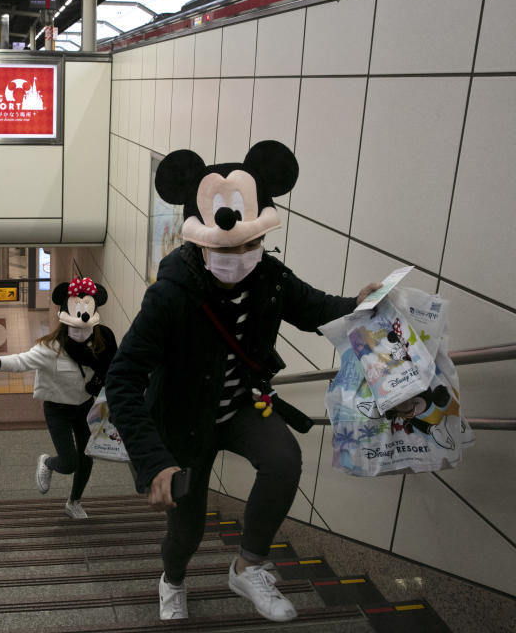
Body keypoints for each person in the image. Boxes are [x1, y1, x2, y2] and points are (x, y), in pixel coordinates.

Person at [106, 141, 382, 622]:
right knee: (186, 533)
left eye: (249, 245)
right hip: (183, 423)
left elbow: (314, 308)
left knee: (283, 458)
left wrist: (356, 303)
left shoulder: (268, 277)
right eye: (224, 247)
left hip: (240, 409)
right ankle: (172, 580)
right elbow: (123, 378)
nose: (237, 256)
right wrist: (154, 462)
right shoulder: (169, 296)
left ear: (261, 236)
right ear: (199, 241)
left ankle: (247, 565)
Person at [0, 278, 117, 519]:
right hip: (57, 410)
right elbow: (22, 361)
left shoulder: (101, 344)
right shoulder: (51, 348)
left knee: (87, 456)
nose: (83, 332)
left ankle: (74, 502)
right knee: (69, 462)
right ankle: (48, 463)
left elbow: (114, 366)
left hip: (85, 407)